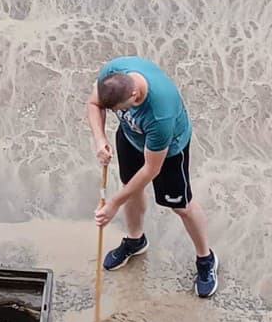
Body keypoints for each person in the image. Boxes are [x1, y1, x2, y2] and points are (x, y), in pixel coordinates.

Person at [86, 56, 218, 298]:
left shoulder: (160, 114)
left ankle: (206, 259)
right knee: (131, 188)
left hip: (168, 151)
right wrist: (100, 139)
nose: (118, 113)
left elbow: (150, 170)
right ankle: (135, 241)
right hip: (131, 137)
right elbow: (94, 103)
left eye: (121, 109)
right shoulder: (113, 72)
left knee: (181, 206)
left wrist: (114, 203)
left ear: (135, 96)